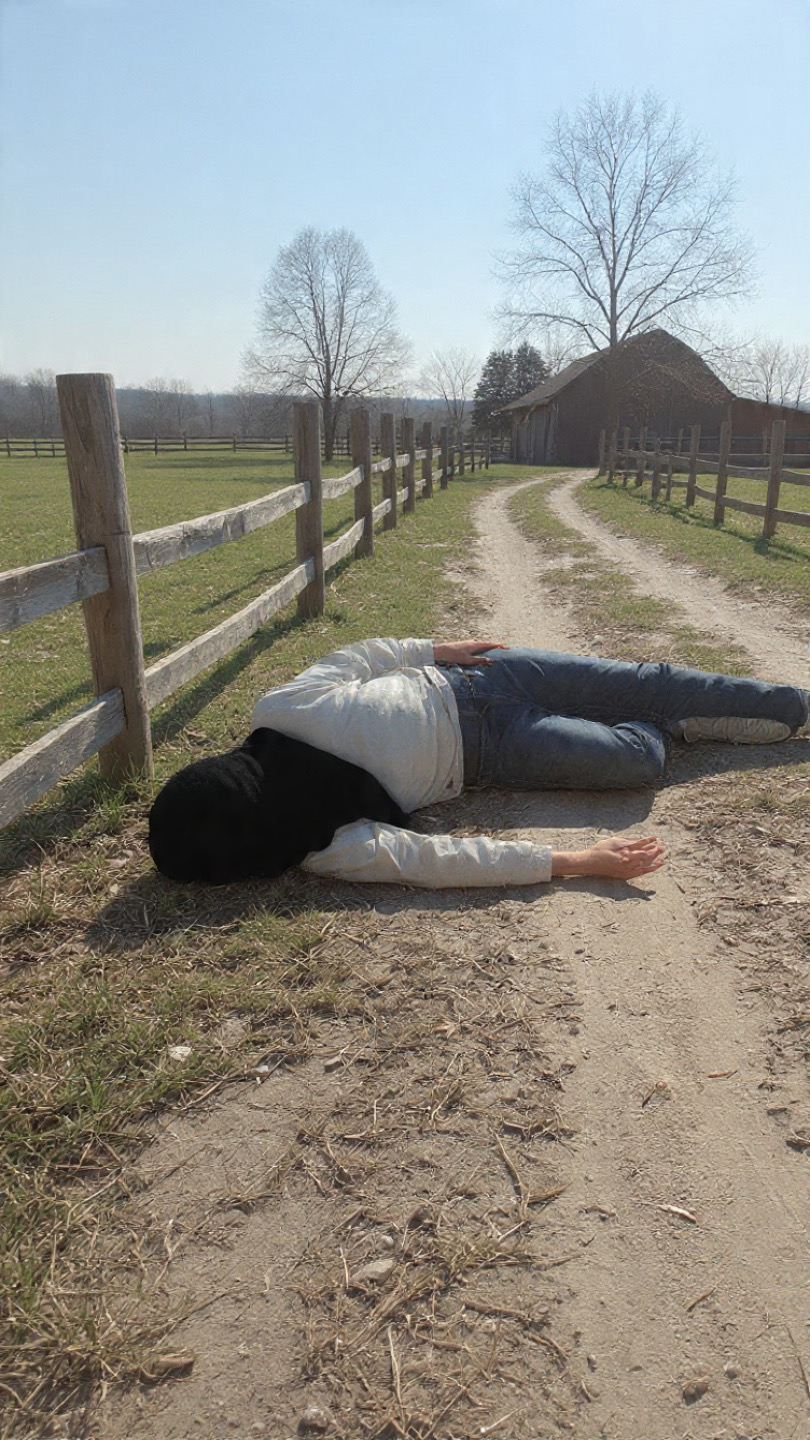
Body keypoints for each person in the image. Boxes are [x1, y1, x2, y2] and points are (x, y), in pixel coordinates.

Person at [147, 637, 808, 889]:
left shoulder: (278, 710)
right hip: (492, 750)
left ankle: (795, 708)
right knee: (635, 762)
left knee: (650, 677)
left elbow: (357, 659)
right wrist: (578, 861)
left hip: (481, 677)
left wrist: (435, 649)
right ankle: (666, 724)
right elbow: (442, 864)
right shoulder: (325, 845)